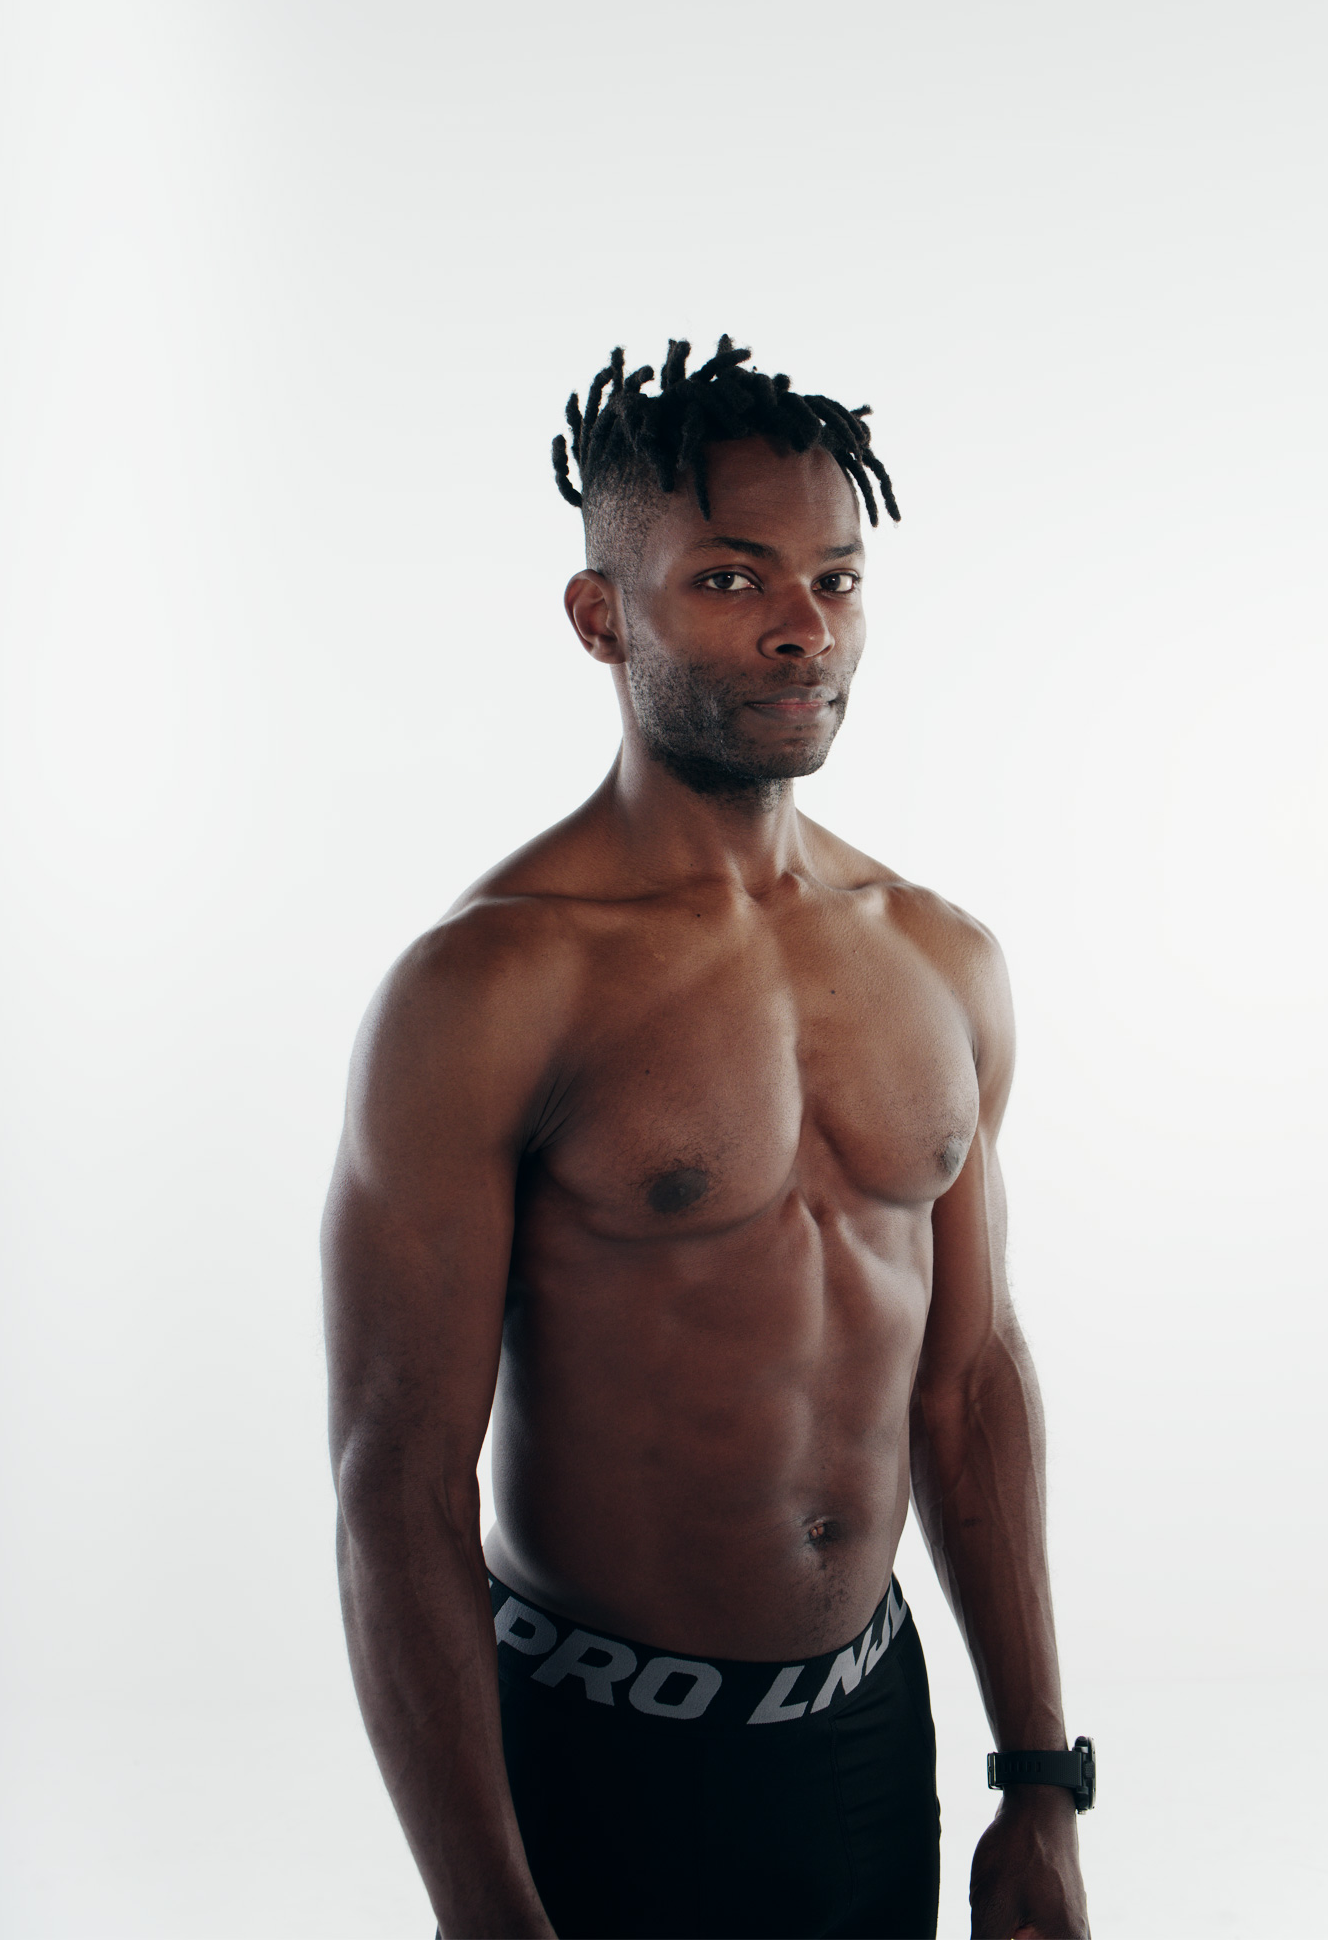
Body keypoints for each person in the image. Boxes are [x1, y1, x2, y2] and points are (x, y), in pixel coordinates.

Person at [322, 337, 1091, 1940]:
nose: (804, 626)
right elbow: (397, 1486)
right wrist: (485, 1911)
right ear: (601, 616)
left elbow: (968, 1382)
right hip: (591, 1762)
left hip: (869, 1734)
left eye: (836, 580)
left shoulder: (943, 959)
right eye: (732, 578)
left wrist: (1039, 1778)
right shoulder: (489, 986)